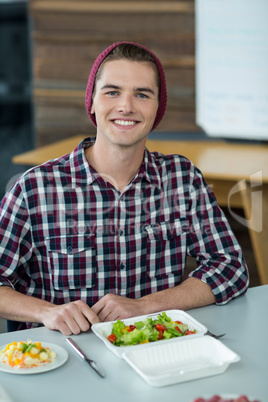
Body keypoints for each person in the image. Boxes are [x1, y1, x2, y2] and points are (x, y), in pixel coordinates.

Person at [0, 42, 249, 335]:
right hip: (68, 358)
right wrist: (47, 312)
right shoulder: (35, 189)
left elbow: (230, 267)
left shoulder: (183, 179)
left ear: (158, 109)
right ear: (91, 102)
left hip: (156, 352)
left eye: (142, 94)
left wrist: (146, 306)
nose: (126, 106)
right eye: (112, 92)